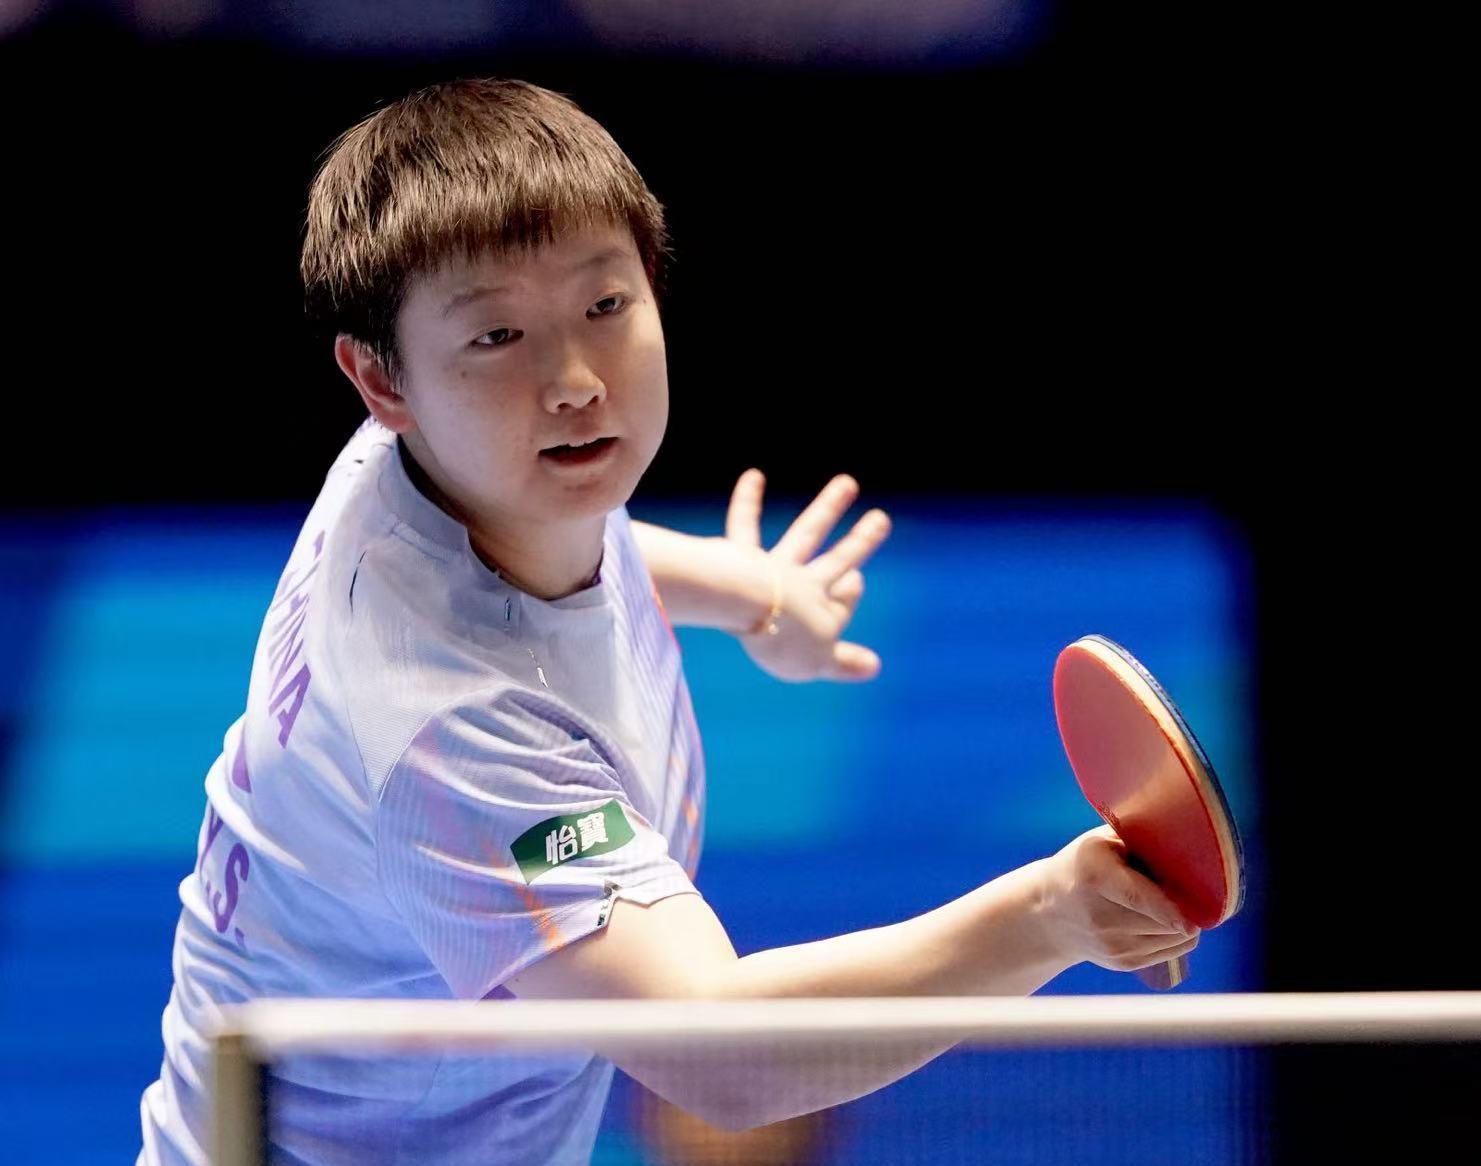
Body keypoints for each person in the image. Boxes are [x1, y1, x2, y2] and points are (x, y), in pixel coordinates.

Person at [137, 77, 1198, 1165]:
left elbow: (571, 550)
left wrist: (750, 592)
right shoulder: (447, 728)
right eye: (498, 334)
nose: (573, 382)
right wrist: (1050, 915)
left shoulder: (416, 471)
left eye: (604, 306)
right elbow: (719, 1060)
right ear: (380, 378)